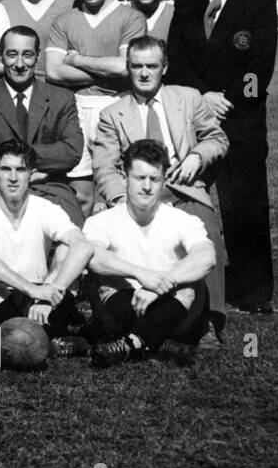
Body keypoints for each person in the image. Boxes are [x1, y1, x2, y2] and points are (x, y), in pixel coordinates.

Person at [167, 0, 277, 315]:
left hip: (240, 120)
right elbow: (176, 60)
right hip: (195, 118)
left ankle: (254, 291)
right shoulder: (189, 0)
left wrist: (227, 101)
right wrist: (203, 98)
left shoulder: (258, 0)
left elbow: (260, 66)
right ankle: (178, 278)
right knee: (185, 198)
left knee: (244, 206)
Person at [95, 36, 229, 331]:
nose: (144, 73)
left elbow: (217, 139)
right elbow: (104, 166)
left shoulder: (188, 98)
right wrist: (120, 201)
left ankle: (209, 318)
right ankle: (131, 312)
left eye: (152, 66)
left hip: (181, 191)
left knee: (207, 232)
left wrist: (196, 156)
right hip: (136, 197)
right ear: (128, 68)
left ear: (164, 68)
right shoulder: (111, 114)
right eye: (137, 66)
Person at [83, 140, 216, 367]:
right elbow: (92, 257)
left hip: (171, 306)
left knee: (190, 287)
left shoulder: (183, 220)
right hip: (124, 305)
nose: (146, 186)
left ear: (164, 181)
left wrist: (162, 283)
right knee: (103, 280)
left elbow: (207, 257)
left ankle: (129, 344)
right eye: (139, 178)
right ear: (124, 178)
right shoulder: (101, 221)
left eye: (154, 179)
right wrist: (141, 274)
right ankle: (158, 344)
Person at [0, 139, 94, 356]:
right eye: (6, 169)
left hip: (41, 296)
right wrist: (28, 288)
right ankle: (47, 338)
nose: (13, 178)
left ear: (31, 174)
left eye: (21, 170)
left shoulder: (45, 208)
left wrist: (49, 293)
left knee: (66, 249)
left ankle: (30, 337)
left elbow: (84, 247)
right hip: (3, 296)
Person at [46, 0, 146, 216]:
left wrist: (77, 59)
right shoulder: (64, 20)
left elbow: (127, 67)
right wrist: (109, 70)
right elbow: (54, 71)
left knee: (120, 192)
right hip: (76, 109)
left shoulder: (131, 18)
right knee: (81, 196)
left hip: (119, 107)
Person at [0, 26, 84, 225]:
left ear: (38, 56)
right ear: (1, 57)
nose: (20, 64)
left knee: (74, 241)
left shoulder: (61, 98)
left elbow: (71, 151)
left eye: (27, 55)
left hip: (49, 188)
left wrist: (5, 156)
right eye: (12, 55)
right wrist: (27, 170)